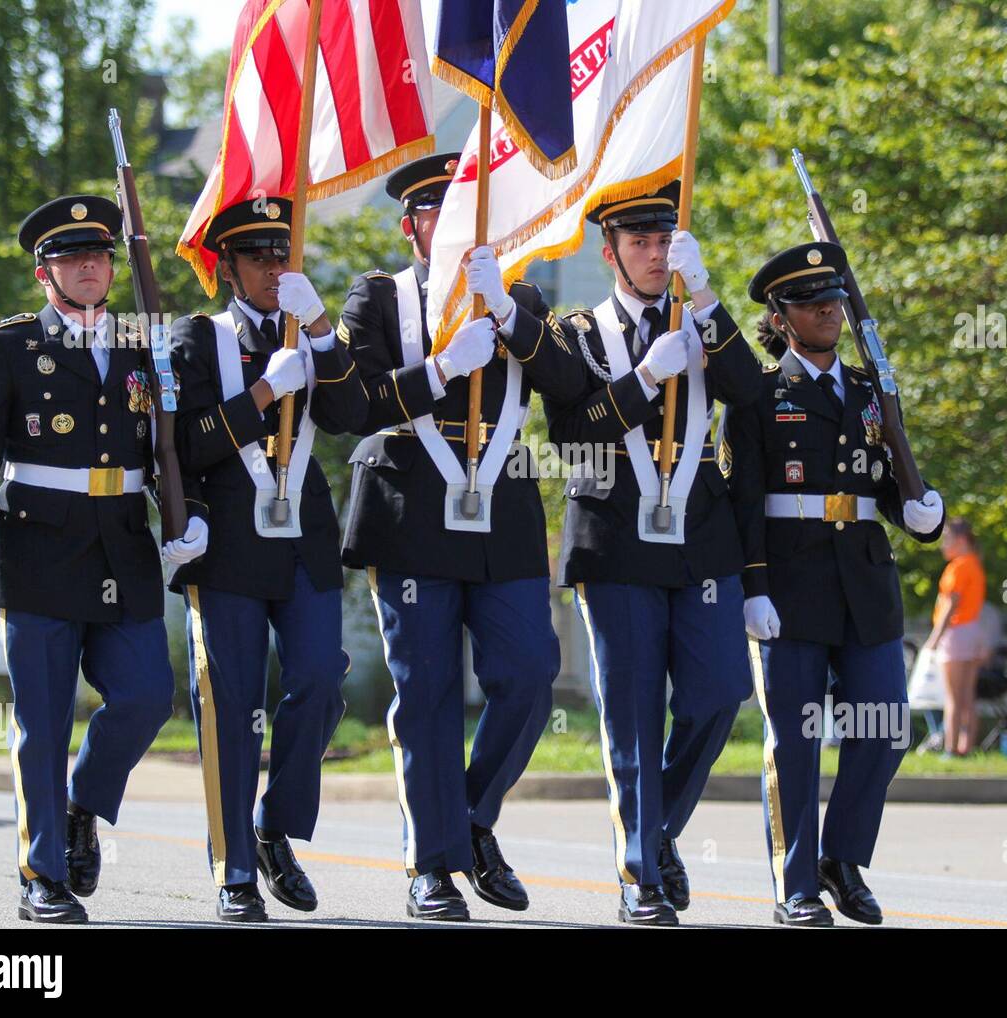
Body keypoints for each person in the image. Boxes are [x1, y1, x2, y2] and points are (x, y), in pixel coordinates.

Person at [337, 153, 586, 920]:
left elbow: (572, 390)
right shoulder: (378, 299)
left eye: (464, 213)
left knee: (529, 672)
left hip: (500, 515)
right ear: (410, 226)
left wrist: (510, 320)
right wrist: (441, 369)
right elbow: (348, 403)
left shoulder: (520, 297)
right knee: (428, 692)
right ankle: (431, 865)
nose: (447, 228)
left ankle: (470, 821)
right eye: (433, 215)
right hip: (411, 513)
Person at [0, 195, 201, 922]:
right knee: (44, 722)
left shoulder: (141, 338)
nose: (90, 267)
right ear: (42, 273)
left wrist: (192, 516)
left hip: (123, 541)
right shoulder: (12, 344)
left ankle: (85, 802)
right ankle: (41, 876)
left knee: (148, 695)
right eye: (72, 258)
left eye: (99, 256)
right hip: (38, 548)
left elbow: (178, 448)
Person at [543, 181, 765, 926]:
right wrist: (644, 379)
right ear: (609, 252)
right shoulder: (580, 331)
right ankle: (641, 872)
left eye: (664, 239)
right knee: (632, 713)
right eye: (637, 241)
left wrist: (703, 296)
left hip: (700, 536)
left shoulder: (698, 318)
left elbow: (753, 395)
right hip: (616, 536)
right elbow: (575, 434)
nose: (653, 252)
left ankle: (656, 828)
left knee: (719, 692)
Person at [719, 240, 945, 928]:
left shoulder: (871, 391)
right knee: (796, 740)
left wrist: (920, 506)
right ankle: (796, 886)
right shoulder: (759, 393)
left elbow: (890, 480)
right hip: (788, 583)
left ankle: (841, 859)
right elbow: (743, 499)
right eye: (811, 304)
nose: (828, 312)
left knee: (884, 727)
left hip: (865, 581)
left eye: (834, 301)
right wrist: (751, 587)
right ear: (780, 318)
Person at [168, 196, 368, 921]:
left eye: (281, 253)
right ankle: (235, 870)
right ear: (227, 270)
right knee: (232, 707)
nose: (273, 267)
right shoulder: (196, 340)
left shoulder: (311, 333)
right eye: (257, 256)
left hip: (302, 544)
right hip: (227, 548)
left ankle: (275, 825)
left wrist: (319, 330)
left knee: (318, 678)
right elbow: (185, 445)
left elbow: (351, 417)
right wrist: (262, 392)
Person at [924, 518, 987, 757]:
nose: (943, 545)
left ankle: (951, 747)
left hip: (956, 633)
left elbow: (951, 604)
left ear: (960, 541)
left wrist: (935, 637)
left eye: (947, 539)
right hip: (972, 630)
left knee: (952, 696)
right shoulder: (974, 564)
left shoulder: (959, 566)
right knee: (967, 695)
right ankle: (965, 745)